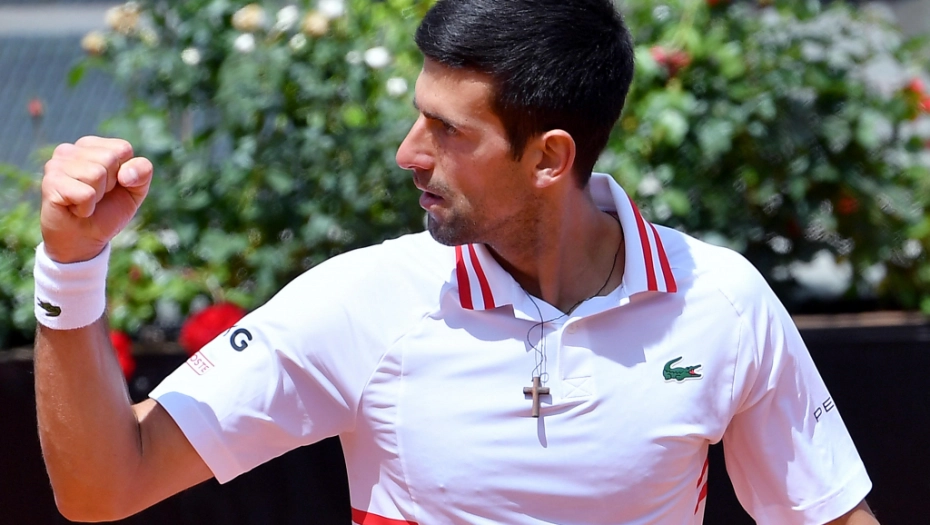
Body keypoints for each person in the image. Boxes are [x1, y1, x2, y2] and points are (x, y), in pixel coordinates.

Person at [34, 0, 878, 523]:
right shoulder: (363, 298)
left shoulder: (723, 300)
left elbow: (831, 515)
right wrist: (71, 267)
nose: (408, 152)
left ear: (549, 157)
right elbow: (106, 485)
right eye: (418, 115)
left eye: (448, 130)